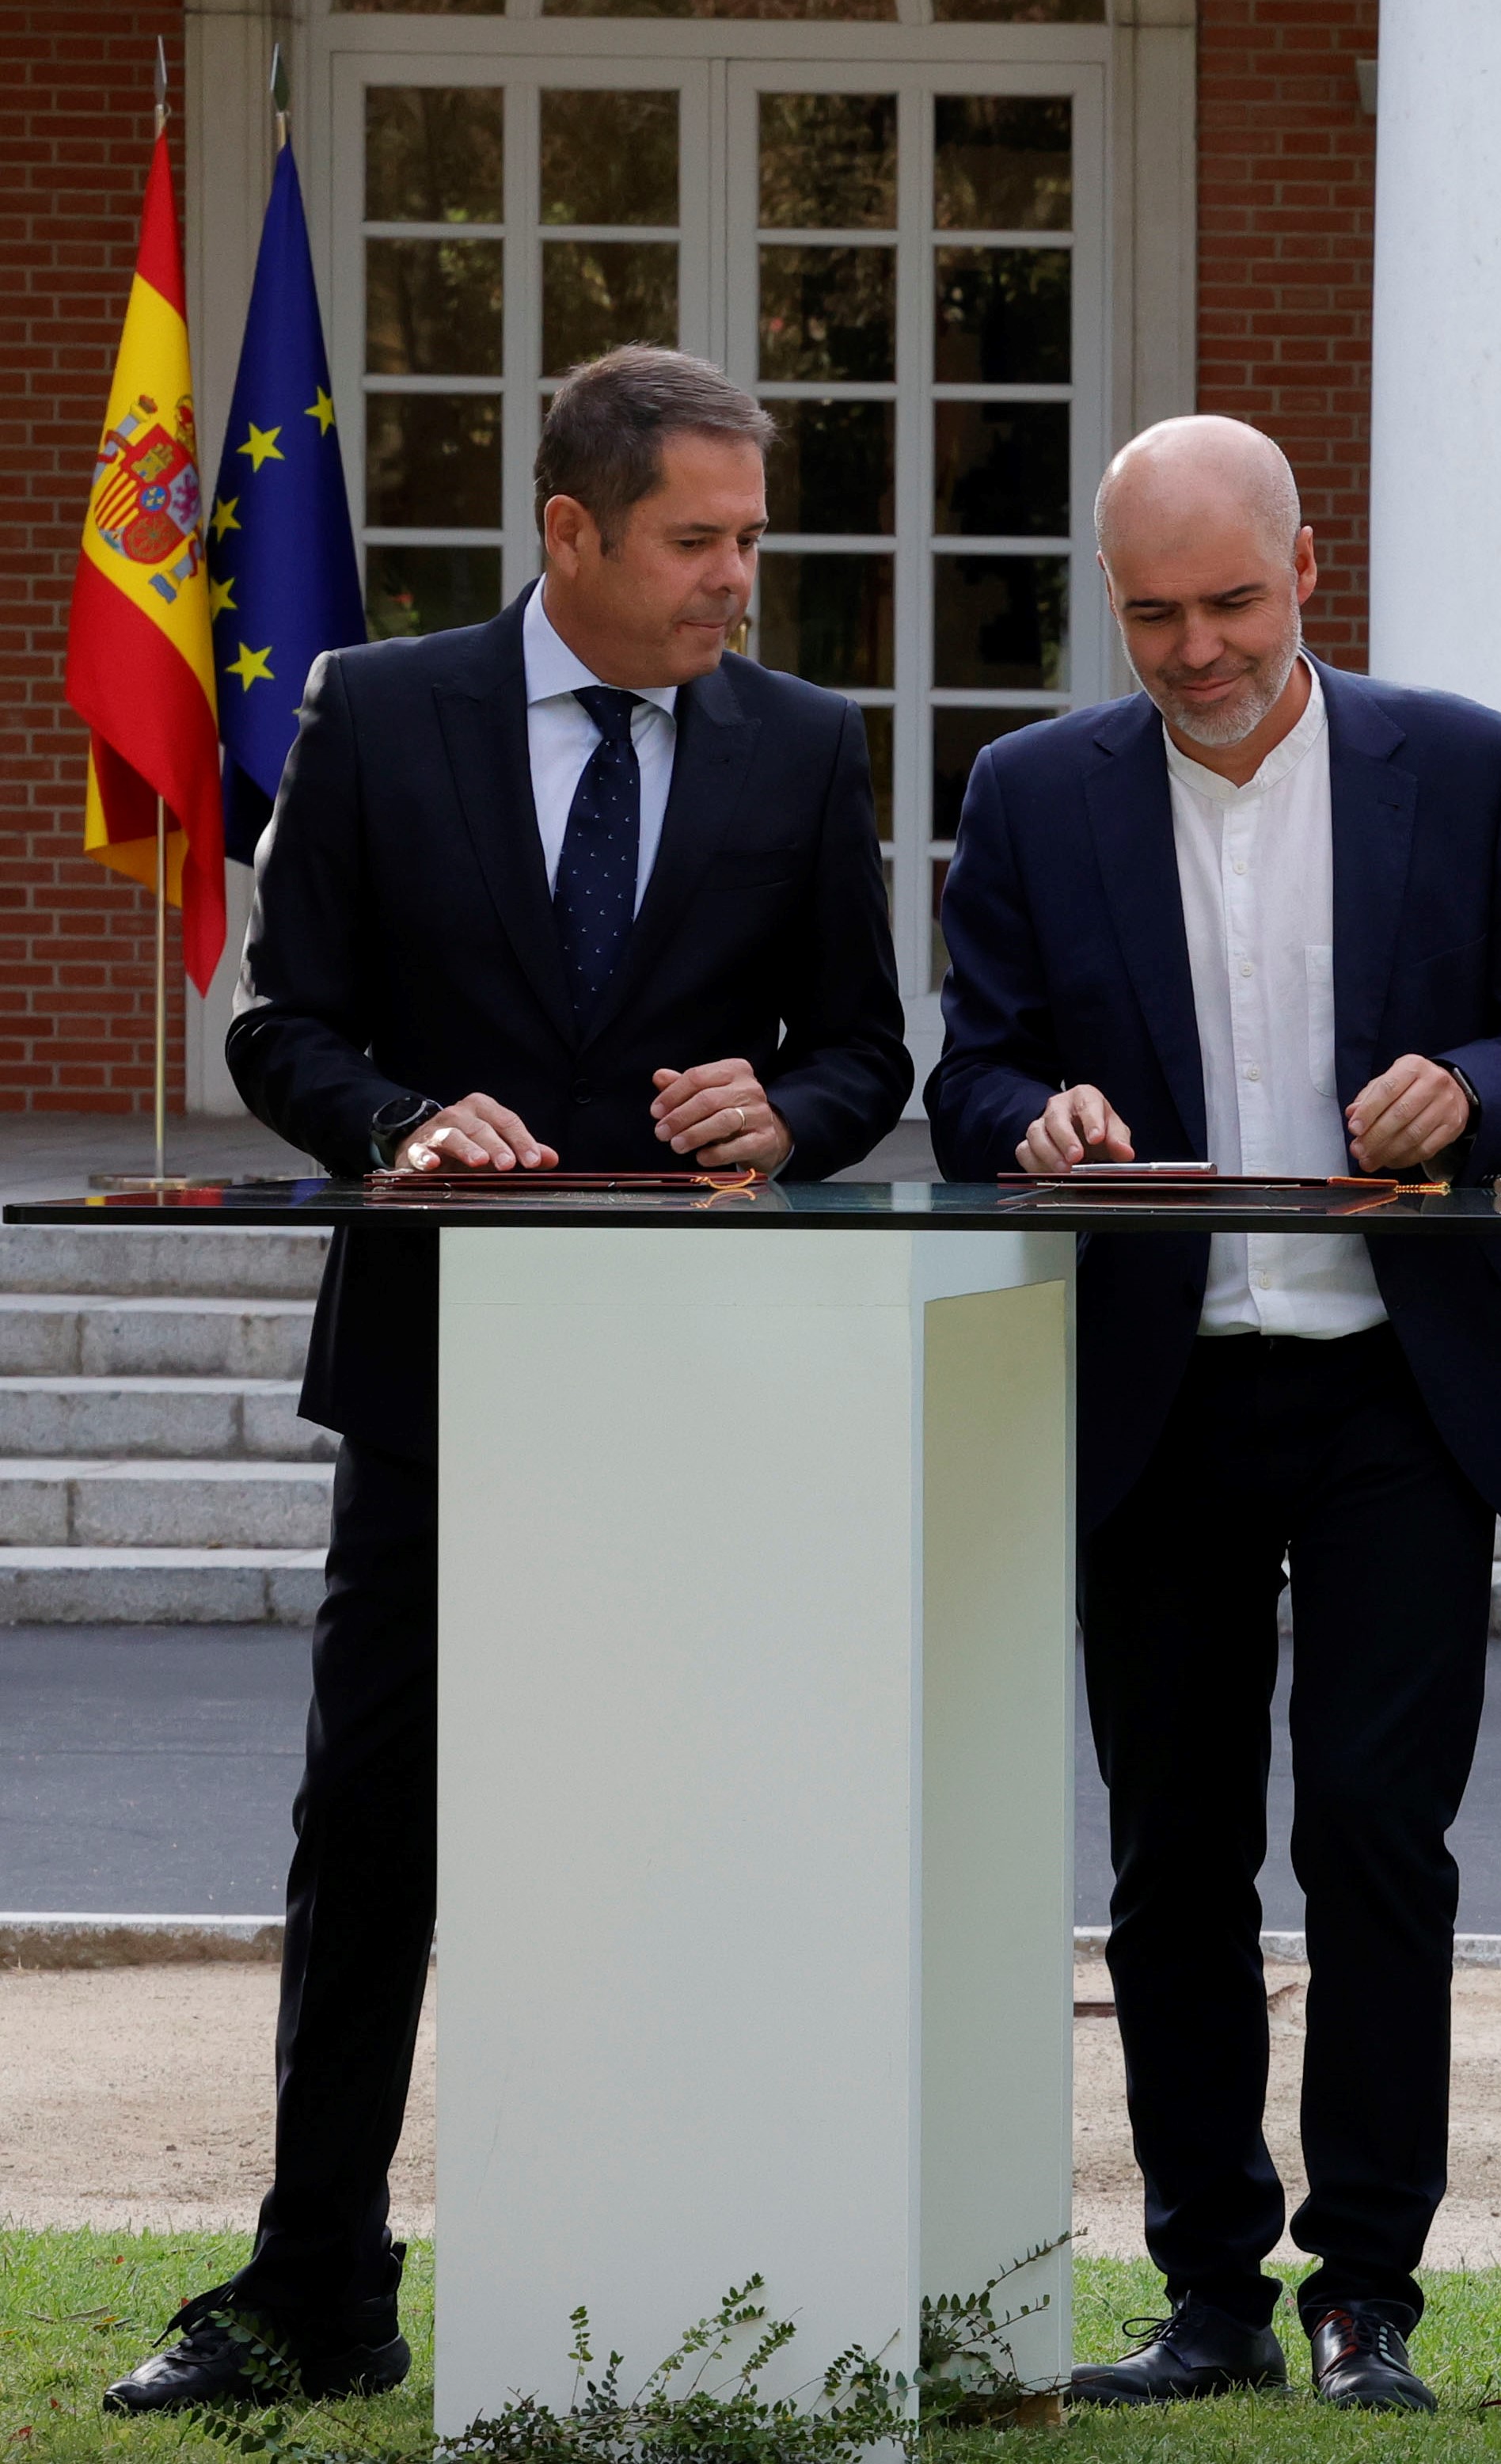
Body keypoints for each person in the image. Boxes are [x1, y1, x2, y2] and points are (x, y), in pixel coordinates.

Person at [126, 346, 913, 2415]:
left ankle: (674, 2282)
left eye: (752, 538)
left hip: (701, 1390)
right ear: (569, 532)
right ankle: (317, 2292)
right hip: (436, 1382)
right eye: (697, 541)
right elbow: (283, 1028)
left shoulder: (798, 746)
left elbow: (865, 1050)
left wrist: (790, 1116)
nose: (738, 577)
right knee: (369, 1835)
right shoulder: (377, 719)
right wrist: (396, 1120)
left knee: (678, 1840)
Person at [927, 416, 1501, 2416]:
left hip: (1404, 1380)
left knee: (1379, 1837)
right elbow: (974, 1069)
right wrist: (1026, 1123)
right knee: (1172, 1856)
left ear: (1309, 567)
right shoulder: (1034, 794)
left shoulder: (1472, 767)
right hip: (1157, 1384)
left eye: (1230, 601)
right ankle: (1212, 2287)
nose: (1197, 647)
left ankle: (1370, 2289)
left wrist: (1475, 1090)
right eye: (1152, 613)